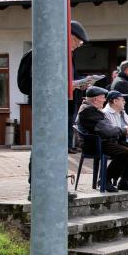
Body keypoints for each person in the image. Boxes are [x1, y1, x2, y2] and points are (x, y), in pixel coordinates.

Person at [18, 20, 90, 201]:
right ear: (69, 36)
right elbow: (43, 83)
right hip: (48, 112)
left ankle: (58, 187)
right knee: (42, 149)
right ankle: (35, 190)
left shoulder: (67, 56)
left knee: (60, 151)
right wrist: (70, 85)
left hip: (63, 111)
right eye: (77, 42)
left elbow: (64, 81)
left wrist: (79, 84)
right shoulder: (46, 53)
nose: (77, 46)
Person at [77, 87, 128, 192]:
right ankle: (105, 179)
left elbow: (108, 129)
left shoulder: (94, 109)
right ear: (95, 99)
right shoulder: (88, 110)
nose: (104, 100)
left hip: (103, 141)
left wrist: (125, 131)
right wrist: (125, 131)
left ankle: (126, 181)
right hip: (95, 144)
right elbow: (106, 130)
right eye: (102, 98)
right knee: (124, 152)